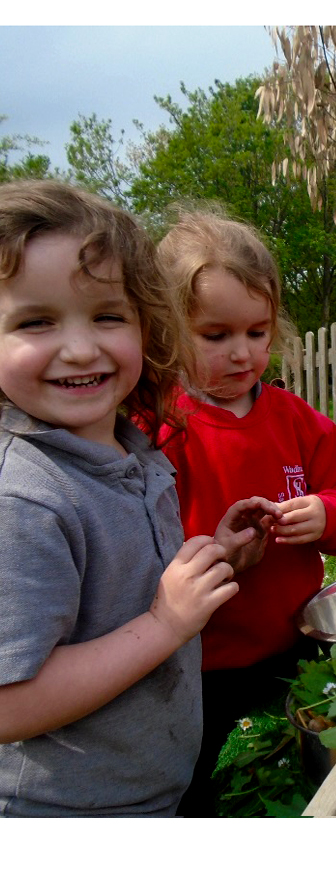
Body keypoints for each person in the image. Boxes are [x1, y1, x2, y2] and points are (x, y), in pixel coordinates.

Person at [0, 180, 281, 817]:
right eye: (36, 321)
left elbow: (121, 588)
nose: (79, 347)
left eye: (106, 315)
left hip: (154, 788)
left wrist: (213, 558)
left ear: (146, 326)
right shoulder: (24, 499)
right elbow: (9, 703)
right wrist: (166, 624)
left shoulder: (133, 451)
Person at [155, 208, 336, 815]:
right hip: (200, 666)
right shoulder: (161, 428)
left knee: (323, 769)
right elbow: (135, 547)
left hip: (296, 645)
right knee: (202, 794)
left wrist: (327, 515)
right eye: (215, 335)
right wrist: (217, 554)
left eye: (257, 332)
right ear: (168, 330)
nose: (242, 353)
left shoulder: (296, 419)